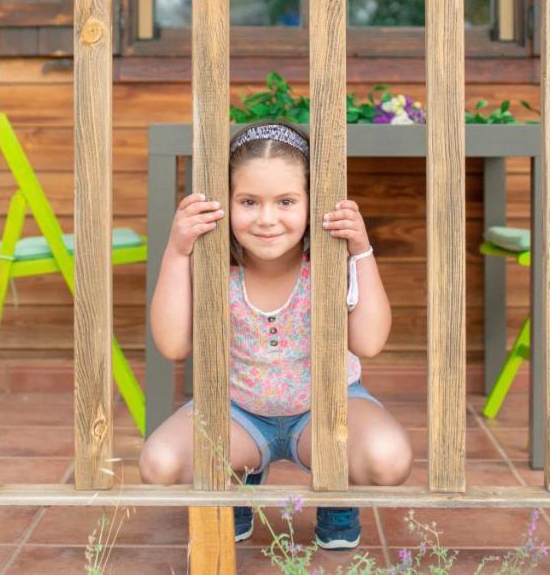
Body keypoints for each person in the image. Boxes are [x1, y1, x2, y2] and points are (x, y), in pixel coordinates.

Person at [139, 121, 413, 549]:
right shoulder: (215, 267)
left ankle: (334, 489)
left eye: (286, 201)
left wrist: (361, 249)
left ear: (311, 203)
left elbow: (370, 342)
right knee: (161, 463)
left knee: (387, 459)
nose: (267, 219)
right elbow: (173, 344)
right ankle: (237, 481)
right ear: (225, 204)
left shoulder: (326, 262)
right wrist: (177, 251)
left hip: (326, 409)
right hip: (239, 413)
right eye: (249, 201)